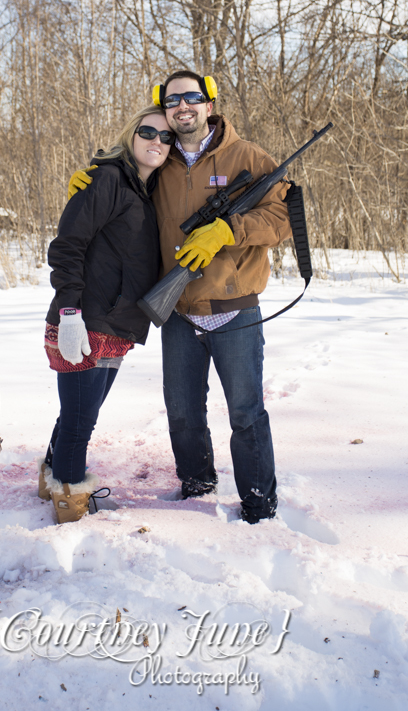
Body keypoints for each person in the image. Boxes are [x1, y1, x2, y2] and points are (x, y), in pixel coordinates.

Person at [69, 71, 291, 524]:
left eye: (193, 96)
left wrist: (230, 229)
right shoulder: (160, 159)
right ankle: (196, 486)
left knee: (246, 413)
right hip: (177, 310)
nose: (183, 105)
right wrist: (89, 186)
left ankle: (258, 504)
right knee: (183, 412)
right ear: (163, 105)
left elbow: (282, 217)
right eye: (173, 99)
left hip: (235, 310)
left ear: (209, 103)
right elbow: (122, 194)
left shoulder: (248, 156)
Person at [40, 105, 174, 523]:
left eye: (167, 137)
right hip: (84, 321)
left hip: (117, 325)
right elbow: (67, 246)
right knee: (80, 422)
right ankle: (70, 504)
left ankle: (52, 479)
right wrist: (69, 311)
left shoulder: (149, 192)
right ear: (131, 134)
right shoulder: (108, 179)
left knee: (80, 414)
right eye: (149, 132)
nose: (157, 141)